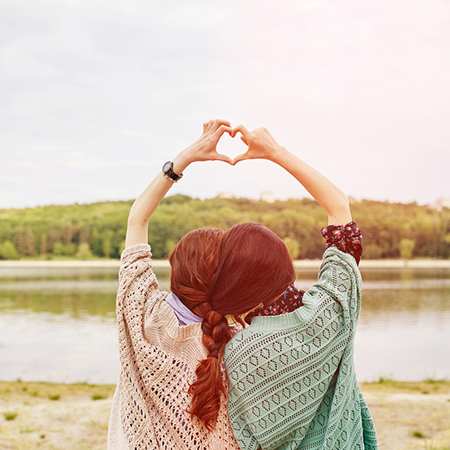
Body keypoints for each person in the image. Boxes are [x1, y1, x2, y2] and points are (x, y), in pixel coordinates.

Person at [207, 126, 379, 449]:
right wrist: (275, 152)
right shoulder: (329, 311)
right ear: (284, 267)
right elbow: (340, 208)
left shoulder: (236, 353)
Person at [108, 119, 242, 449]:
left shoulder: (143, 315)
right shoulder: (239, 342)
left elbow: (137, 217)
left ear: (175, 266)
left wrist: (184, 159)